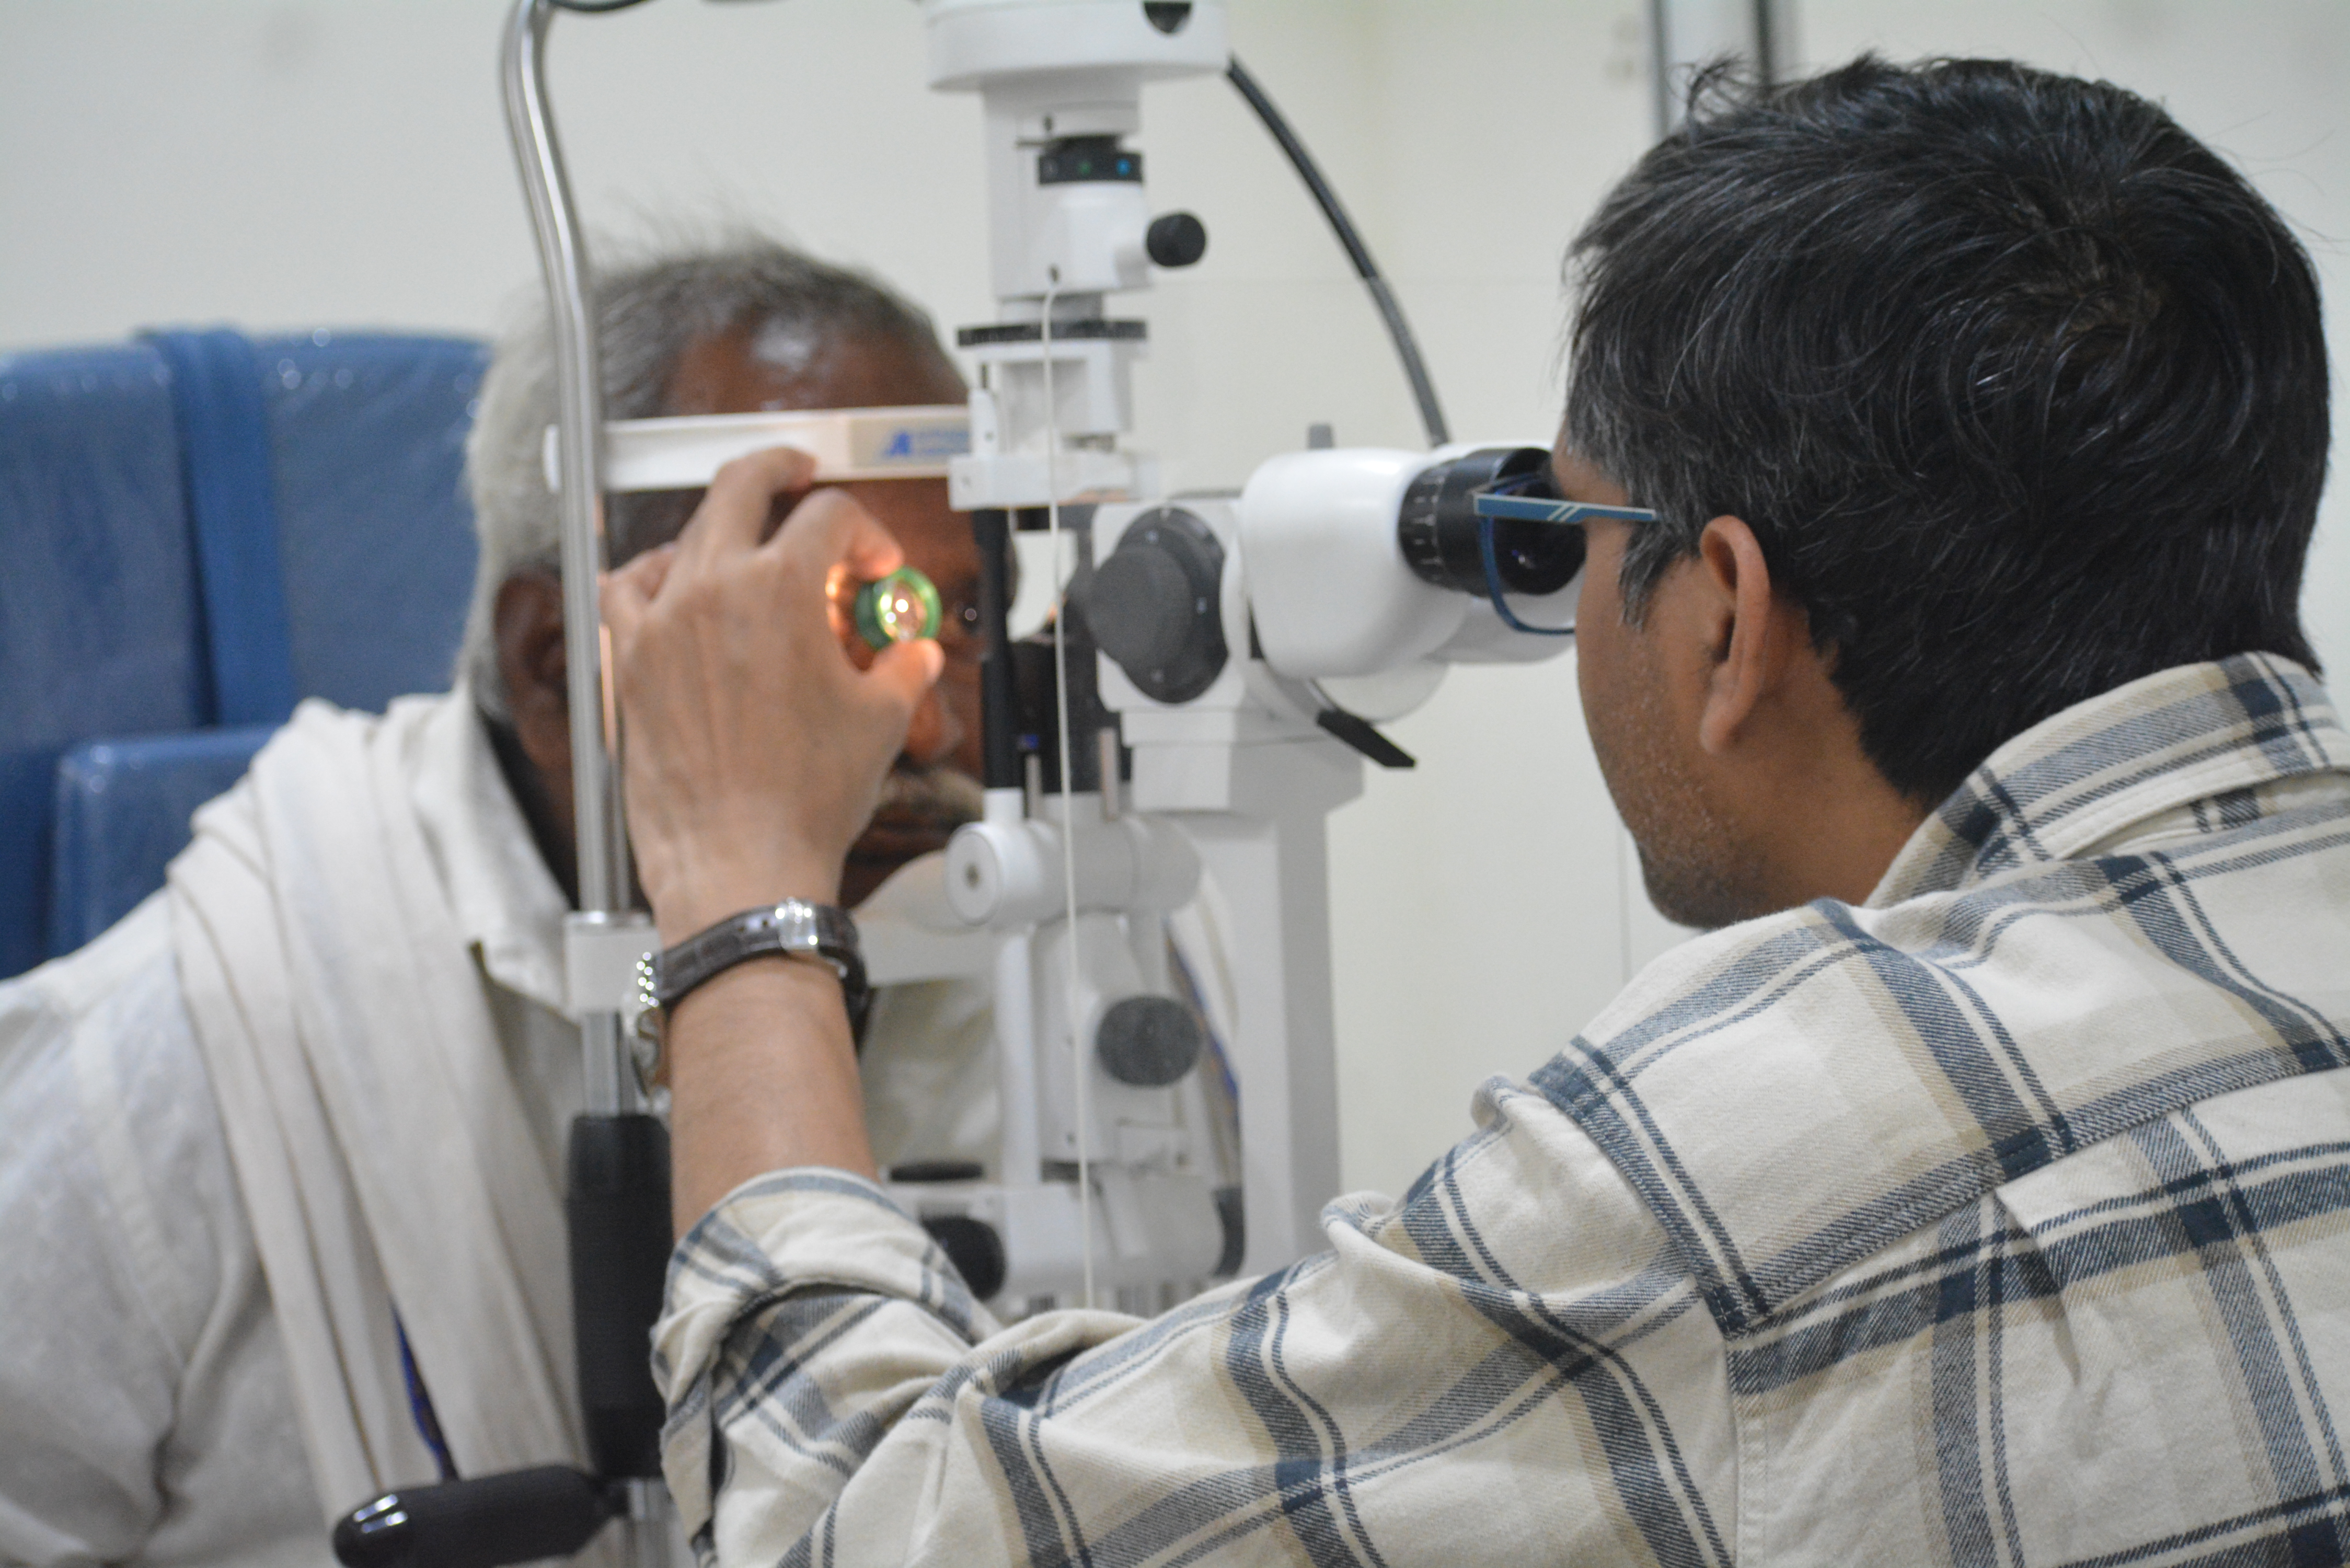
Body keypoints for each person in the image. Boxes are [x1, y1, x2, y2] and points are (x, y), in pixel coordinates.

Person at [610, 59, 2350, 1566]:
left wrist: (736, 875)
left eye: (1577, 541)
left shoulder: (1728, 1184)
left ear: (1723, 620)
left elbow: (842, 1532)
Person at [0, 239, 996, 1566]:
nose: (927, 717)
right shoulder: (186, 1059)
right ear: (552, 667)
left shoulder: (1073, 956)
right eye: (839, 618)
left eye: (964, 613)